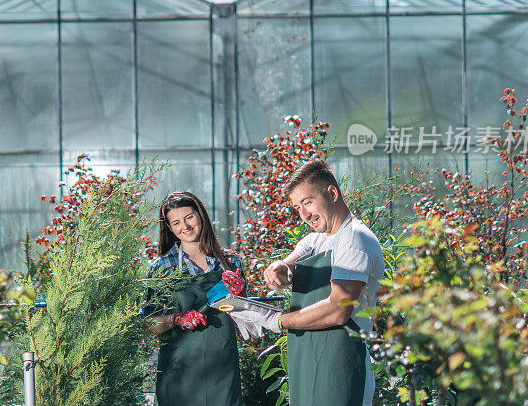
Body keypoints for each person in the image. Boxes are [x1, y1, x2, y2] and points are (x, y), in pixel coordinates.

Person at [263, 159, 384, 406]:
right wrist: (279, 269)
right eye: (297, 207)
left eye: (307, 202)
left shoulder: (355, 240)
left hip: (343, 368)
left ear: (332, 193)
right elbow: (291, 262)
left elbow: (339, 310)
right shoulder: (317, 240)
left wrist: (278, 321)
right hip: (309, 361)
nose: (304, 214)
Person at [144, 191, 246, 406]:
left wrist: (240, 295)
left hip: (222, 367)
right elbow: (147, 324)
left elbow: (244, 317)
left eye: (189, 217)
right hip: (179, 371)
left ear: (201, 216)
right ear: (170, 228)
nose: (186, 226)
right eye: (176, 222)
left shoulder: (230, 262)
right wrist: (176, 319)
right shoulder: (162, 267)